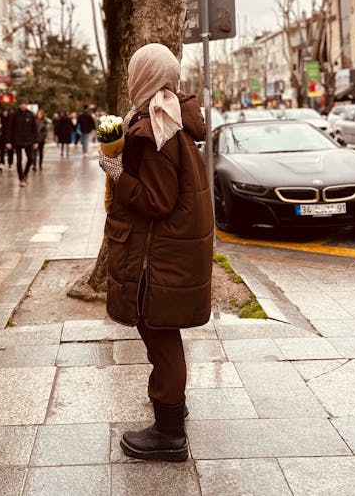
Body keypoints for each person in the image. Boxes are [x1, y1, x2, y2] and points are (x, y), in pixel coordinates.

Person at [98, 43, 213, 463]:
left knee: (160, 334)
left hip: (158, 254)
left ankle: (169, 433)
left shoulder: (153, 130)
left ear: (142, 76)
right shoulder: (170, 117)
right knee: (160, 332)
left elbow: (156, 200)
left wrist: (115, 171)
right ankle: (172, 408)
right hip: (170, 251)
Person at [7, 100, 37, 187]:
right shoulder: (14, 115)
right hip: (17, 140)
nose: (23, 106)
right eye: (21, 104)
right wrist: (8, 141)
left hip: (29, 140)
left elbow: (34, 129)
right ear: (19, 105)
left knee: (31, 158)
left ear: (26, 105)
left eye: (24, 104)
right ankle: (21, 179)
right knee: (19, 160)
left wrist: (36, 141)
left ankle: (25, 173)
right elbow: (9, 129)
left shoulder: (30, 115)